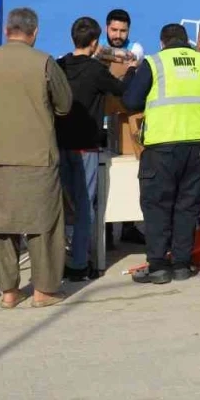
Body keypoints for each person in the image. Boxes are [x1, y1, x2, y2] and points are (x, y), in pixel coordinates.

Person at [0, 8, 72, 309]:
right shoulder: (44, 62)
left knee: (3, 226)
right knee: (43, 224)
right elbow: (64, 105)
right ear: (35, 32)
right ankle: (44, 291)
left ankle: (9, 292)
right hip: (37, 156)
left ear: (7, 31)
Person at [122, 23, 200, 284]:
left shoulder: (154, 62)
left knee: (157, 206)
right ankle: (182, 264)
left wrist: (131, 73)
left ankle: (159, 266)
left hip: (162, 146)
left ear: (162, 43)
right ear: (187, 41)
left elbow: (131, 101)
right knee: (188, 206)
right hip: (199, 145)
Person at [55, 16, 135, 280]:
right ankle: (79, 263)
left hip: (59, 145)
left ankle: (60, 259)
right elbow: (122, 90)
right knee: (84, 206)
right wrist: (131, 69)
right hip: (85, 147)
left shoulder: (59, 65)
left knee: (64, 205)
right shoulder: (95, 70)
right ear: (94, 42)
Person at [103, 8, 145, 247]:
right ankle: (106, 233)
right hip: (101, 124)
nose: (118, 35)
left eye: (123, 31)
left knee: (128, 177)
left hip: (125, 124)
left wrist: (105, 55)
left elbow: (133, 56)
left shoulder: (136, 47)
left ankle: (129, 228)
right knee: (105, 181)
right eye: (114, 30)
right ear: (106, 28)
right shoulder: (97, 47)